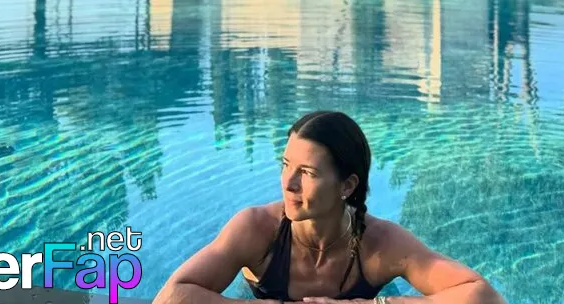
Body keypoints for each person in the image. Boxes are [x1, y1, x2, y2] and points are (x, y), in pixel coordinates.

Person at [152, 111, 505, 304]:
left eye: (306, 173)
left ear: (346, 186)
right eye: (286, 165)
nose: (288, 184)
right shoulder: (258, 229)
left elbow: (485, 297)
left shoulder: (378, 244)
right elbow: (171, 297)